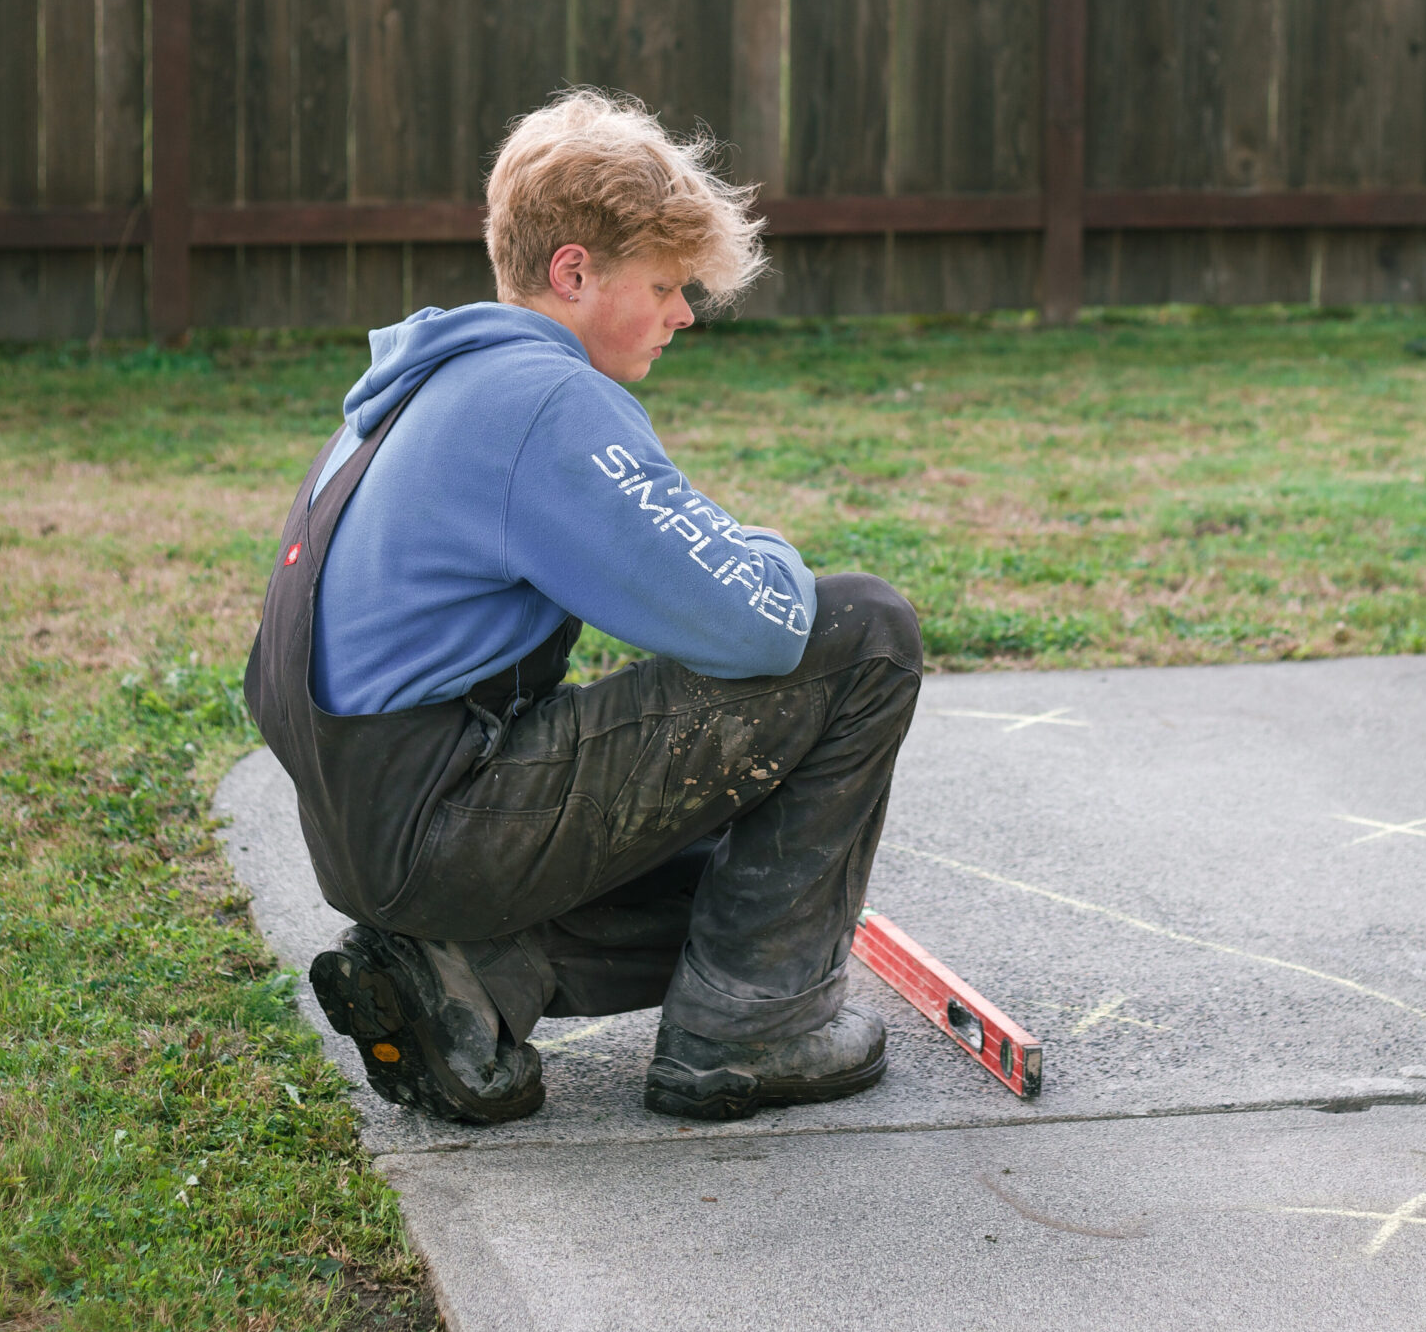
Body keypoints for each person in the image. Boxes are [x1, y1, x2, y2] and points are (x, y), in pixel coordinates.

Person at [244, 90, 922, 1127]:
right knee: (864, 630)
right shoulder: (541, 403)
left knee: (762, 885)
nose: (683, 313)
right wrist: (771, 551)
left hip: (372, 830)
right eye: (663, 283)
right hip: (443, 821)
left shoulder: (415, 388)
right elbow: (760, 624)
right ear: (573, 272)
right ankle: (750, 1029)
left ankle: (471, 979)